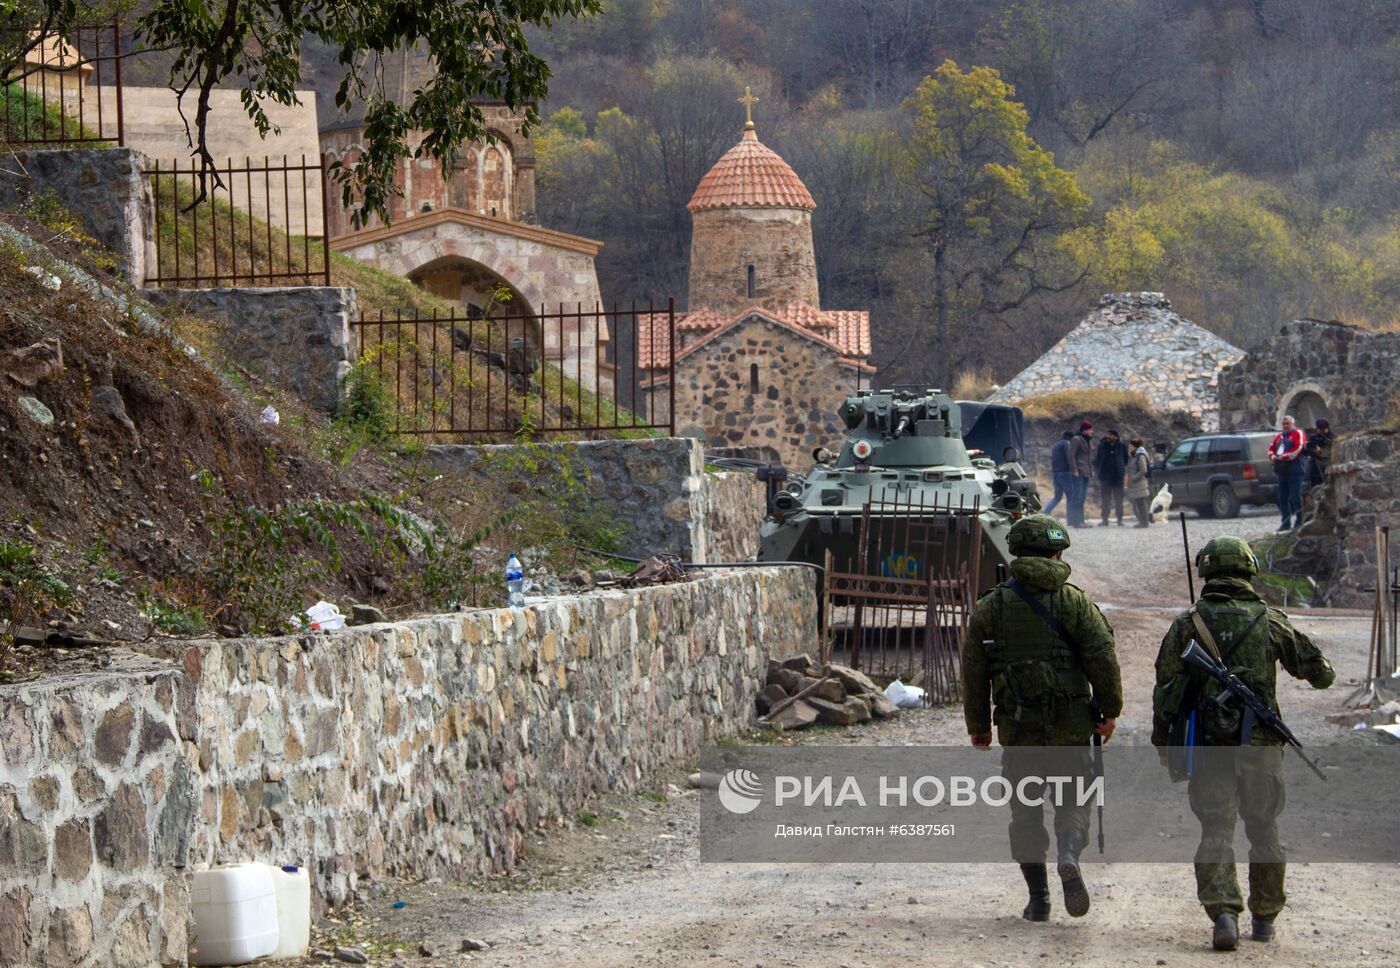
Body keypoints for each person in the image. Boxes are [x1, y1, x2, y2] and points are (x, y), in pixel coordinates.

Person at [1151, 536, 1334, 951]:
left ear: (1206, 571)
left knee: (1216, 828)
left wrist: (1165, 744)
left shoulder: (1187, 623)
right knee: (1265, 828)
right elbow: (1321, 675)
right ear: (1249, 568)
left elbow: (1165, 690)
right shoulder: (1270, 620)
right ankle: (1265, 918)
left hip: (1210, 745)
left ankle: (1224, 914)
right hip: (1261, 747)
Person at [962, 514, 1122, 923]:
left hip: (1019, 728)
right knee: (1074, 800)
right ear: (1058, 552)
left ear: (1015, 551)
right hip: (1071, 724)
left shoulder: (991, 606)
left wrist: (978, 727)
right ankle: (1069, 853)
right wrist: (1109, 711)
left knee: (1026, 813)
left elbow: (974, 672)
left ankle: (1039, 900)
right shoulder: (1076, 602)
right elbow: (1103, 659)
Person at [1269, 415, 1306, 531]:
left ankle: (1300, 520)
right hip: (1282, 471)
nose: (1285, 426)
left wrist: (1284, 456)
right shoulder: (1279, 437)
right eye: (1283, 424)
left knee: (1295, 497)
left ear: (1293, 424)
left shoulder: (1298, 434)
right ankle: (1285, 522)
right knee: (1282, 498)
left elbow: (1297, 449)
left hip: (1295, 470)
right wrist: (1273, 456)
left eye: (1287, 424)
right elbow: (1271, 448)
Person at [1093, 428, 1130, 526]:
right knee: (1105, 499)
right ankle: (1105, 519)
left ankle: (1119, 519)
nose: (1108, 436)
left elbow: (1125, 460)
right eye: (1108, 434)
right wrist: (1099, 471)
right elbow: (1098, 459)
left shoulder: (1122, 446)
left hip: (1118, 477)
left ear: (1116, 437)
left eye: (1110, 435)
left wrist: (1120, 468)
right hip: (1105, 476)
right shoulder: (1103, 446)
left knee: (1119, 499)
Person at [1068, 421, 1094, 527]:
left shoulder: (1086, 440)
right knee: (1077, 497)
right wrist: (1074, 470)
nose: (1092, 432)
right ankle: (1075, 521)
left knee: (1082, 498)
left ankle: (1081, 521)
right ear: (1085, 430)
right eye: (1090, 429)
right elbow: (1071, 455)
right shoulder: (1076, 439)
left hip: (1085, 473)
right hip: (1078, 472)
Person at [1043, 430, 1074, 517]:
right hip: (1065, 473)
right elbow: (1069, 457)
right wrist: (1073, 469)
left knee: (1057, 497)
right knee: (1070, 496)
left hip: (1055, 473)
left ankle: (1045, 513)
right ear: (1070, 438)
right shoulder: (1067, 443)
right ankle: (1071, 519)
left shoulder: (1056, 444)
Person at [1125, 436, 1152, 527]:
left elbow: (1143, 470)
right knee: (1138, 503)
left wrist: (1134, 478)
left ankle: (1144, 522)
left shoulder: (1140, 456)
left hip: (1140, 483)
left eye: (1131, 447)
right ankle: (1143, 521)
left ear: (1135, 447)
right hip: (1135, 484)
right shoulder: (1133, 456)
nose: (1129, 448)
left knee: (1141, 504)